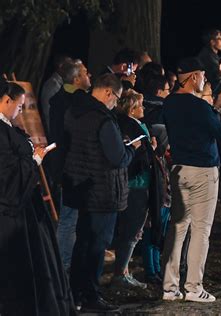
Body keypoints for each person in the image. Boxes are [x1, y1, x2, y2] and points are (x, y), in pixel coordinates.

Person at [161, 57, 221, 303]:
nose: (204, 80)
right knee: (200, 231)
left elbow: (202, 124)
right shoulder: (198, 106)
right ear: (194, 77)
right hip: (203, 170)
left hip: (179, 168)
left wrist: (216, 106)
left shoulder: (170, 103)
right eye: (203, 77)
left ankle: (169, 287)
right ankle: (194, 287)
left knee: (178, 229)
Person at [63, 73, 140, 312]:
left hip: (81, 187)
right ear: (108, 92)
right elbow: (116, 157)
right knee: (97, 246)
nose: (115, 104)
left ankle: (74, 294)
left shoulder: (73, 112)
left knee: (82, 244)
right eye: (116, 99)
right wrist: (132, 148)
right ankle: (91, 296)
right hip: (102, 190)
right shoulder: (103, 119)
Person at [0, 81, 75, 315]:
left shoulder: (7, 129)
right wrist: (35, 160)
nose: (21, 112)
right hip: (13, 213)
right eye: (19, 107)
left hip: (25, 209)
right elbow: (7, 175)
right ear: (6, 100)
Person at [111, 90, 162, 290]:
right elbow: (137, 154)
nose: (144, 108)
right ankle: (120, 272)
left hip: (138, 183)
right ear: (132, 108)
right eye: (140, 105)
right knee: (132, 230)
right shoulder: (131, 127)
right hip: (137, 185)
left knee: (133, 229)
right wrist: (149, 149)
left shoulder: (132, 124)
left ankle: (122, 271)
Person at [48, 59, 91, 271]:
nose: (89, 75)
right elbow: (63, 139)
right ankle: (63, 268)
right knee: (68, 220)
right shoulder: (68, 103)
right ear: (76, 79)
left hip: (71, 168)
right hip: (71, 169)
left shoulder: (65, 101)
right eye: (85, 72)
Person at [40, 54, 72, 133]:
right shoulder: (52, 85)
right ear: (61, 67)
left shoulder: (62, 84)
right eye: (69, 67)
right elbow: (48, 112)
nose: (72, 70)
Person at [197, 29, 221, 96]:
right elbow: (218, 82)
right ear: (212, 42)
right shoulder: (207, 58)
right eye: (219, 38)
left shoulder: (213, 57)